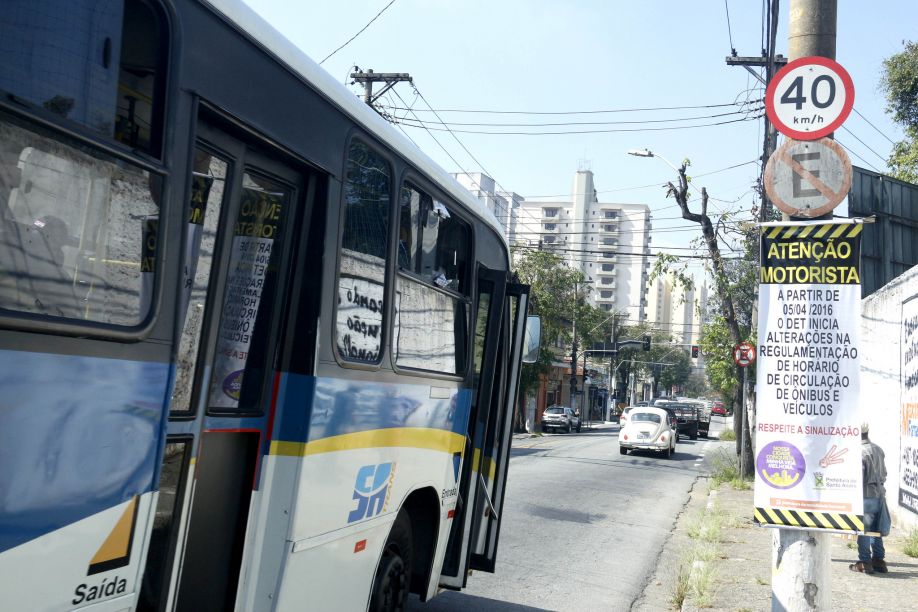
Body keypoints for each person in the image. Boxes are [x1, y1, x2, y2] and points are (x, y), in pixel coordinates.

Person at [850, 421, 891, 574]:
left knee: (864, 529)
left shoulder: (858, 451)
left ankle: (865, 561)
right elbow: (885, 473)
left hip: (866, 495)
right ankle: (879, 560)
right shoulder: (878, 449)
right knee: (877, 528)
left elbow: (860, 476)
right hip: (880, 493)